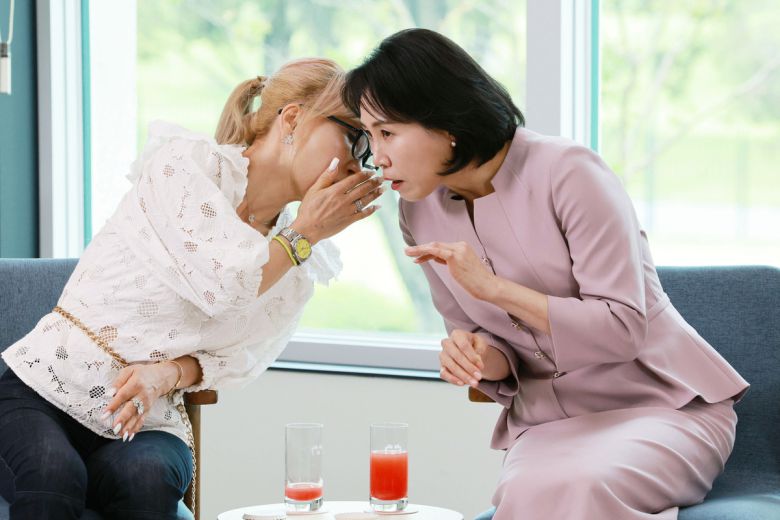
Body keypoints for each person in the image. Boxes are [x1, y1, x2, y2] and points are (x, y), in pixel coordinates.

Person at [343, 29, 748, 519]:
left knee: (585, 486)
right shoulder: (418, 212)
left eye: (387, 133)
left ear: (445, 121)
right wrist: (474, 358)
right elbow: (490, 348)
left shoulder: (569, 172)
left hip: (662, 407)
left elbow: (621, 329)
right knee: (526, 493)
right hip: (551, 424)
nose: (377, 156)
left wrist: (496, 290)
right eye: (369, 136)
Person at [0, 57, 383, 519]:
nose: (359, 163)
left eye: (370, 151)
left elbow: (239, 359)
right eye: (355, 137)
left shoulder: (300, 267)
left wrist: (167, 374)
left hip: (147, 418)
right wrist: (303, 234)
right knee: (52, 470)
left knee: (147, 479)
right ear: (293, 118)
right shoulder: (187, 168)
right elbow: (224, 286)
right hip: (45, 390)